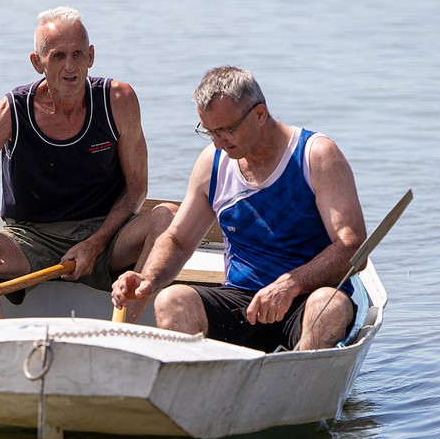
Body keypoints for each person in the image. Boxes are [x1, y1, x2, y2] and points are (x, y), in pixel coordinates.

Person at [0, 6, 175, 318]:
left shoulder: (119, 100)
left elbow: (136, 190)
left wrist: (96, 243)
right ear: (38, 63)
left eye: (78, 54)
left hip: (106, 233)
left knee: (167, 216)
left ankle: (127, 330)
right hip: (29, 238)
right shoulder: (11, 111)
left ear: (91, 56)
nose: (70, 67)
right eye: (58, 56)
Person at [111, 66, 367, 352]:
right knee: (172, 301)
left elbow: (354, 248)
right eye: (209, 132)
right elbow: (178, 240)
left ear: (259, 114)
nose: (218, 142)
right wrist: (148, 278)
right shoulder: (213, 162)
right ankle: (202, 386)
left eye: (226, 130)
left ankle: (293, 380)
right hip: (243, 303)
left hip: (307, 299)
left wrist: (291, 285)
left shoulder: (316, 156)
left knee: (329, 306)